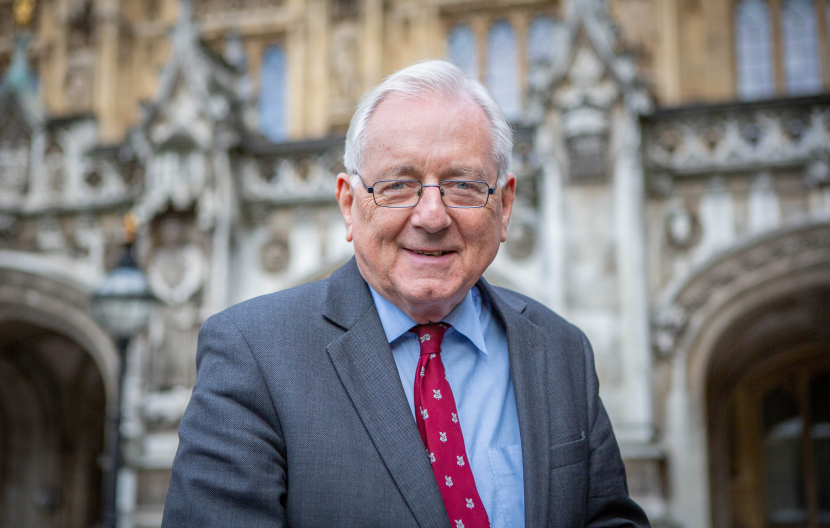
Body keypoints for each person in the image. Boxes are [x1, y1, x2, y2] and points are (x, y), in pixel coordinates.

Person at [162, 60, 649, 528]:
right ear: (350, 206)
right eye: (398, 185)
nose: (432, 216)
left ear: (504, 207)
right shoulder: (253, 352)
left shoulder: (561, 349)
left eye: (463, 185)